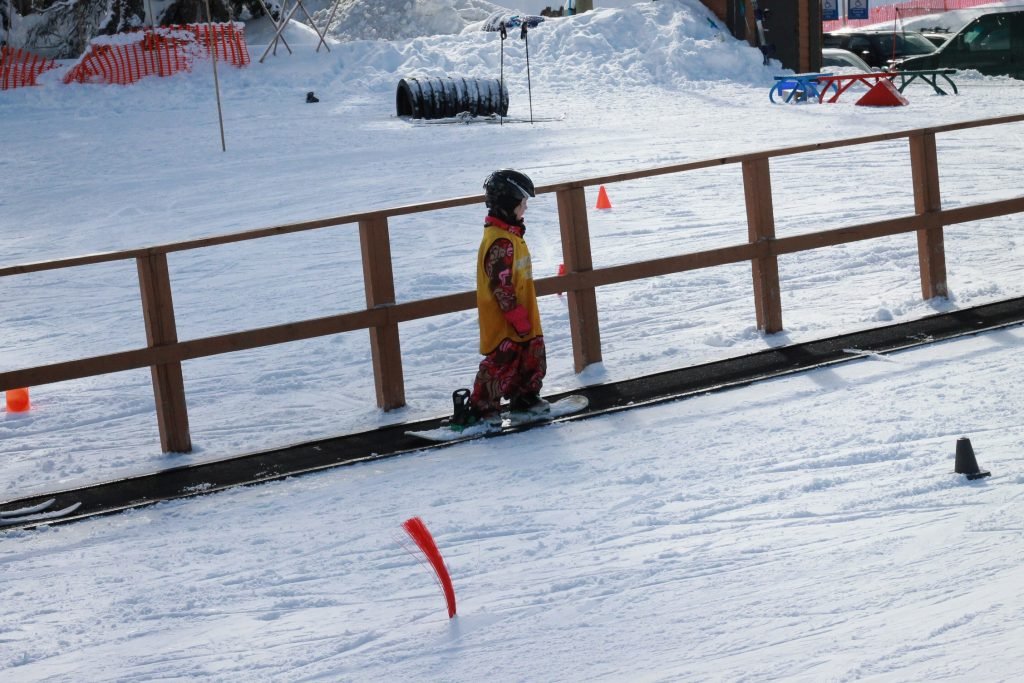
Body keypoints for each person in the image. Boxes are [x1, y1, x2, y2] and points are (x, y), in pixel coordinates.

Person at [452, 169, 549, 429]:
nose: (525, 209)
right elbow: (501, 288)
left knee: (532, 358)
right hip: (506, 322)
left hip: (523, 318)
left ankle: (524, 399)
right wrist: (517, 318)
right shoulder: (500, 242)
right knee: (501, 364)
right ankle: (483, 408)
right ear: (507, 205)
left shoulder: (512, 236)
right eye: (522, 203)